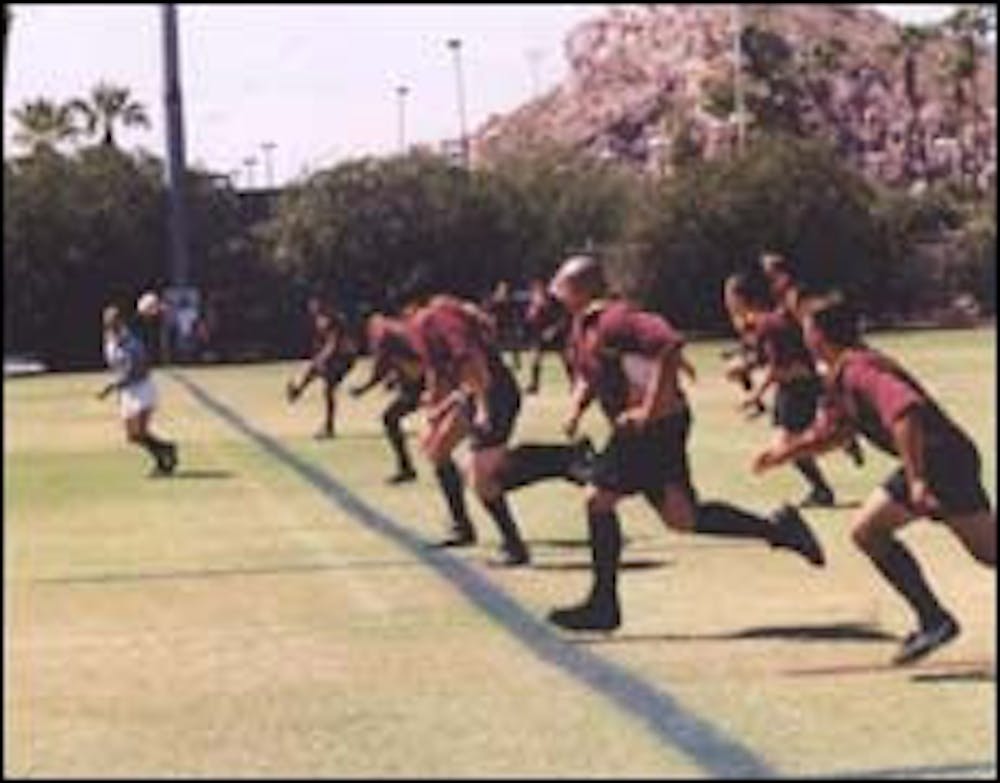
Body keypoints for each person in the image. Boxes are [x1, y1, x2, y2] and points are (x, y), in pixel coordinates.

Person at [544, 255, 826, 632]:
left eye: (561, 289)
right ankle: (779, 529)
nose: (555, 298)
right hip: (651, 427)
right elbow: (594, 376)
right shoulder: (583, 329)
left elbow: (668, 344)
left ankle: (603, 605)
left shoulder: (615, 319)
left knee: (598, 499)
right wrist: (578, 409)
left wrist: (649, 407)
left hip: (653, 427)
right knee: (683, 518)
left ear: (580, 289)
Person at [753, 298, 995, 666]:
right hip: (943, 458)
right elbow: (832, 433)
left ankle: (934, 619)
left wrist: (917, 480)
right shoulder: (840, 374)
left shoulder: (859, 369)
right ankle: (933, 618)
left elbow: (905, 411)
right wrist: (783, 455)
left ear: (819, 335)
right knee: (987, 552)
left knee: (870, 531)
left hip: (940, 461)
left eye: (807, 329)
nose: (804, 335)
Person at [400, 273, 593, 565]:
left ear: (409, 308)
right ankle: (462, 525)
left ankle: (562, 462)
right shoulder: (442, 314)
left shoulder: (433, 318)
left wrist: (482, 406)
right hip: (479, 391)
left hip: (493, 392)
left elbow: (472, 357)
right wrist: (436, 407)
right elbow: (440, 371)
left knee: (482, 476)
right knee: (437, 449)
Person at [727, 273, 837, 508]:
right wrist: (746, 366)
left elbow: (779, 367)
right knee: (789, 443)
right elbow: (768, 358)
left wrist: (754, 395)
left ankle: (823, 489)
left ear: (741, 299)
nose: (727, 303)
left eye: (730, 297)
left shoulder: (768, 324)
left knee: (786, 445)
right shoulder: (767, 321)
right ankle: (822, 487)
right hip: (792, 387)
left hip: (798, 387)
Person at [96, 303, 178, 476]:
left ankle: (163, 462)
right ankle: (166, 448)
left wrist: (113, 386)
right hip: (127, 391)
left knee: (139, 430)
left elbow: (138, 370)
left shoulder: (132, 343)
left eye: (114, 323)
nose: (111, 326)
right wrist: (117, 385)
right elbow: (116, 365)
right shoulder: (110, 340)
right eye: (108, 323)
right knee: (133, 436)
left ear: (120, 322)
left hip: (142, 389)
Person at [349, 313, 424, 484]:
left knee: (390, 418)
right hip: (424, 375)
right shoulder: (390, 324)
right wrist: (395, 377)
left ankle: (406, 468)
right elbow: (402, 353)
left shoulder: (380, 334)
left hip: (423, 378)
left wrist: (362, 389)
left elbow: (380, 369)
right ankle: (407, 467)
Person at [286, 299, 358, 439]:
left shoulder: (332, 319)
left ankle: (329, 427)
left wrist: (322, 357)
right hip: (338, 356)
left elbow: (333, 342)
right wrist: (320, 357)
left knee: (328, 389)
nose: (312, 307)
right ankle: (298, 391)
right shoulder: (322, 319)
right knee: (315, 372)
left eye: (315, 304)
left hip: (344, 357)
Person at [524, 276, 572, 395]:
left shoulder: (554, 300)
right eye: (535, 288)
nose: (537, 290)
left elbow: (564, 317)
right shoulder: (535, 300)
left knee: (566, 359)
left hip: (556, 335)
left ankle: (574, 383)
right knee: (535, 359)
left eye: (539, 286)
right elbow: (531, 317)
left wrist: (553, 329)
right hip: (540, 335)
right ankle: (534, 385)